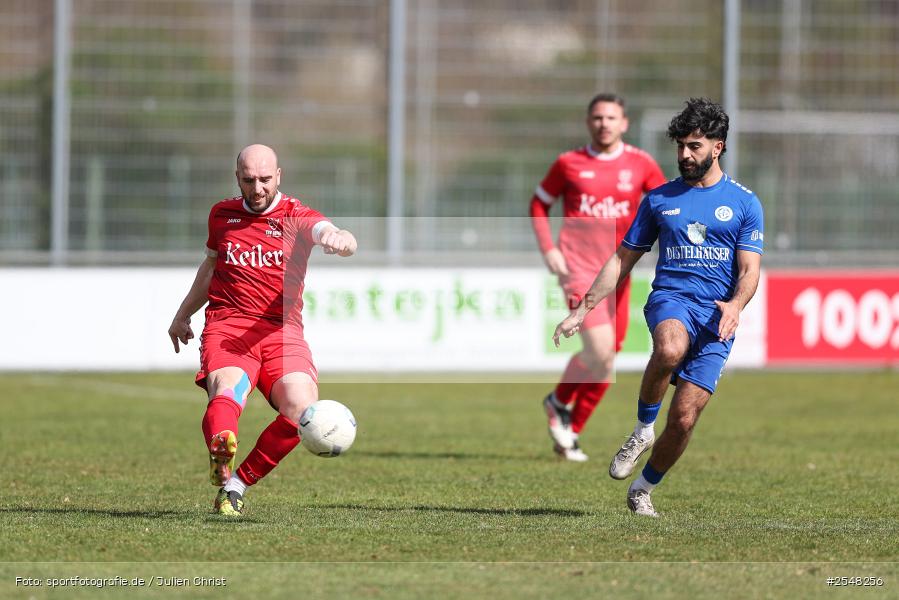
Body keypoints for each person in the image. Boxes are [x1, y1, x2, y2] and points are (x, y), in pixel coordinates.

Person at [553, 98, 764, 516]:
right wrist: (582, 310)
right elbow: (621, 260)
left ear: (718, 147)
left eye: (694, 147)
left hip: (717, 317)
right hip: (672, 299)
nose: (685, 155)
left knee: (684, 419)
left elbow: (749, 270)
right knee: (669, 348)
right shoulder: (659, 199)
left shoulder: (745, 203)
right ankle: (642, 429)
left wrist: (736, 305)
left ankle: (643, 488)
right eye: (680, 146)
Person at [167, 144, 357, 517]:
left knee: (301, 408)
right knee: (227, 389)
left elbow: (326, 229)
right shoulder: (221, 215)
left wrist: (342, 237)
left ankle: (236, 486)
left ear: (279, 176)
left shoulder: (295, 215)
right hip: (229, 327)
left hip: (282, 334)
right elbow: (210, 270)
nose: (257, 189)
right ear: (237, 178)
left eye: (265, 180)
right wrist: (182, 315)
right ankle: (222, 448)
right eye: (249, 180)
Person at [530, 93, 666, 461]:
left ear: (624, 123)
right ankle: (559, 401)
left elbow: (665, 204)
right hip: (578, 267)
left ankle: (570, 430)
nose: (604, 123)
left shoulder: (641, 164)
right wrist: (549, 248)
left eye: (611, 117)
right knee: (601, 349)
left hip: (619, 268)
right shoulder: (569, 163)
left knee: (607, 360)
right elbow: (539, 203)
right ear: (588, 122)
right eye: (597, 117)